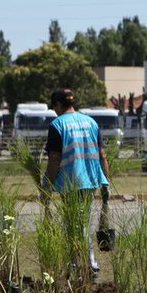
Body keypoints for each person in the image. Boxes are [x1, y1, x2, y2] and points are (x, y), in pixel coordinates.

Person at [43, 88, 111, 278]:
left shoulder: (57, 125)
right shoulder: (91, 122)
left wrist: (46, 185)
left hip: (71, 182)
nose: (54, 111)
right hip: (90, 180)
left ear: (58, 104)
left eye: (54, 107)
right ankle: (77, 262)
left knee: (76, 223)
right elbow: (102, 155)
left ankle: (87, 264)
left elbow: (55, 159)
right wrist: (105, 182)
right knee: (81, 221)